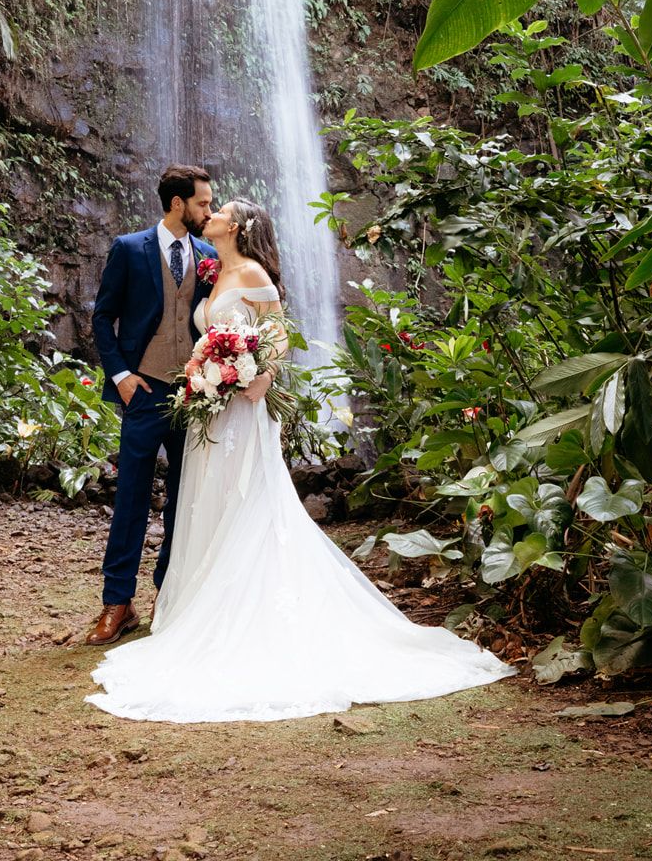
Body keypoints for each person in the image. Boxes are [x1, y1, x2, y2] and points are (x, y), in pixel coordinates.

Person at [85, 198, 514, 721]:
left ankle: (243, 614)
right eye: (206, 204)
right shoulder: (214, 268)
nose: (210, 212)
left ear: (236, 227)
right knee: (206, 505)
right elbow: (203, 334)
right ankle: (187, 606)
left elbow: (278, 337)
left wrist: (257, 376)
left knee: (246, 505)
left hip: (242, 414)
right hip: (210, 410)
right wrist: (205, 372)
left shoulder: (253, 274)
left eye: (218, 210)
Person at [85, 164, 217, 645]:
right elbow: (102, 317)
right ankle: (117, 603)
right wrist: (121, 376)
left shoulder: (209, 255)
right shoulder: (128, 248)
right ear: (177, 203)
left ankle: (169, 592)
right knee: (131, 499)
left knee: (185, 498)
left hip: (194, 394)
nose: (210, 210)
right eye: (203, 203)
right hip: (143, 391)